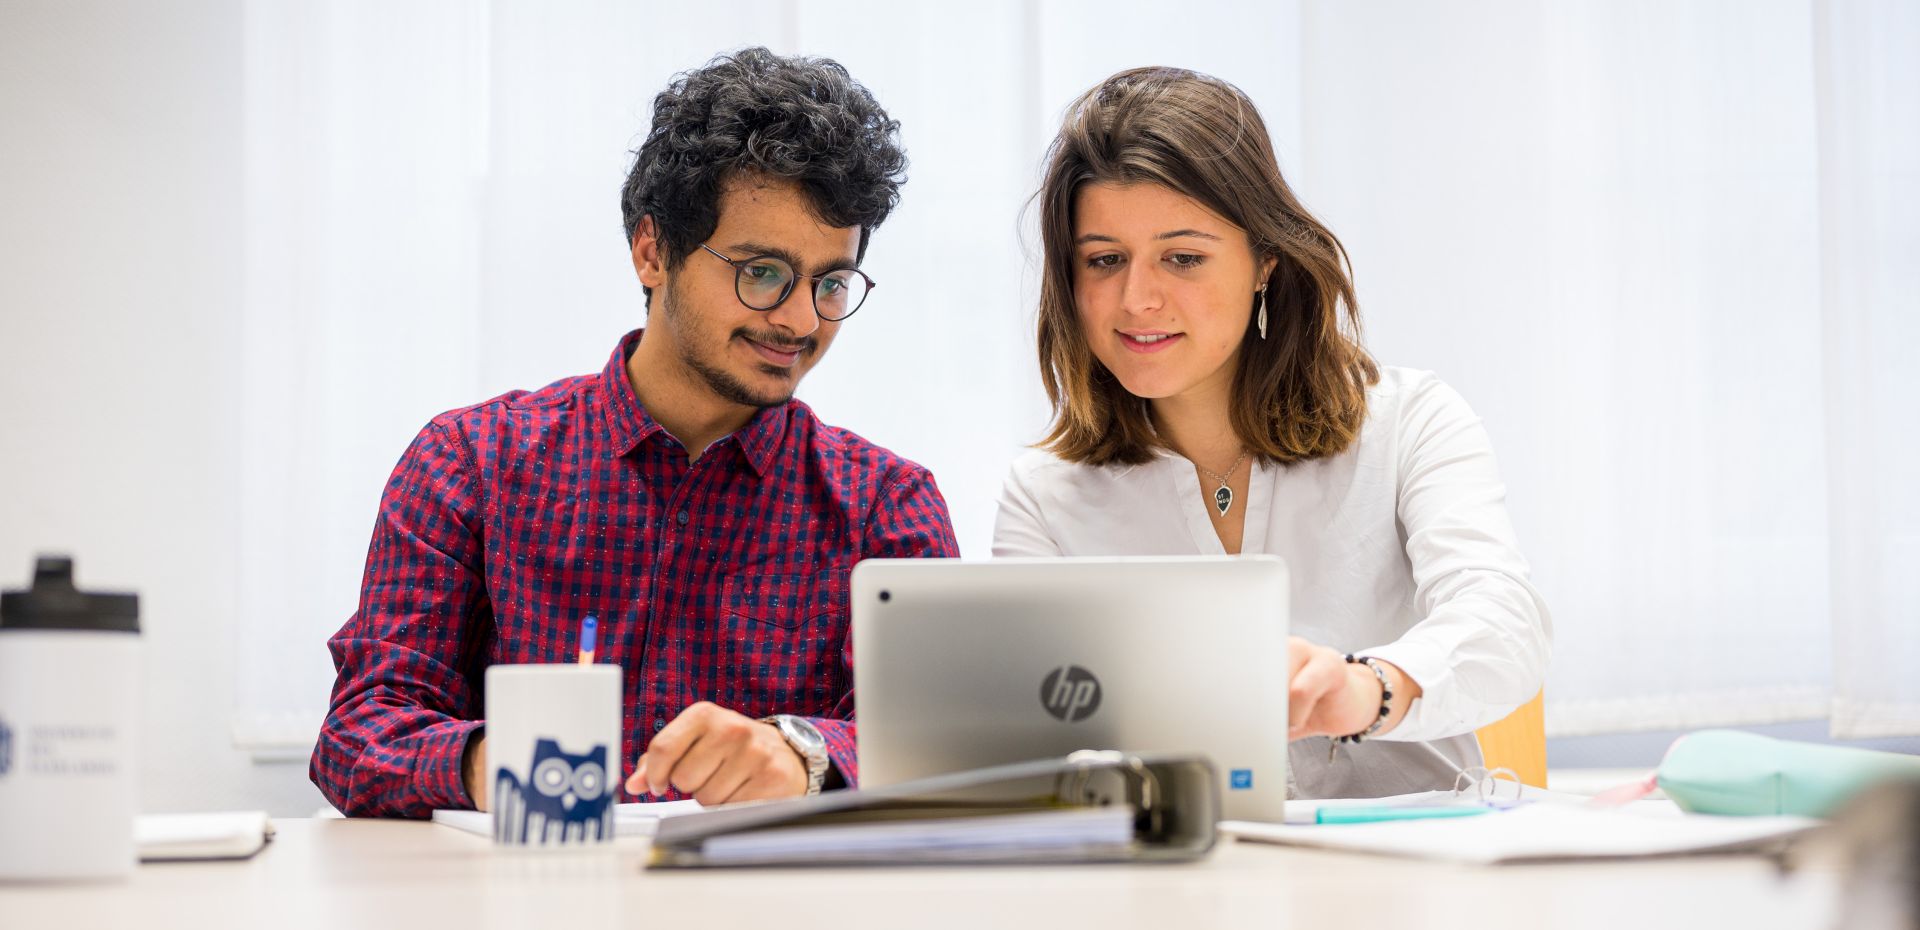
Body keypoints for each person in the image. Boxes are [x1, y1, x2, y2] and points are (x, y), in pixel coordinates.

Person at [312, 48, 959, 818]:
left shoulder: (886, 504)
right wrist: (502, 762)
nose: (799, 319)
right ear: (653, 251)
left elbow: (942, 746)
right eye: (761, 273)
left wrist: (802, 756)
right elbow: (357, 736)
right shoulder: (470, 465)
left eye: (830, 282)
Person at [994, 66, 1551, 798]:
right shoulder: (1044, 495)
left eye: (1183, 257)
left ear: (1265, 260)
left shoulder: (1411, 422)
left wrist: (1370, 687)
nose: (1137, 299)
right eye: (1104, 260)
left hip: (1411, 872)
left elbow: (1503, 626)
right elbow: (1033, 739)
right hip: (1180, 881)